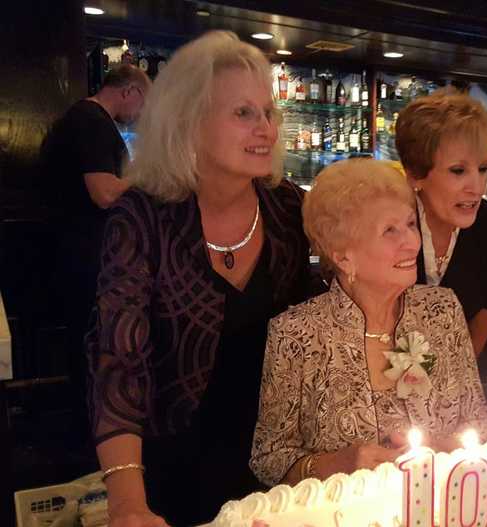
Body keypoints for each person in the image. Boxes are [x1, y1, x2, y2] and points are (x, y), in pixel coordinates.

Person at [85, 31, 313, 527]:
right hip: (176, 473)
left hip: (283, 468)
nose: (266, 130)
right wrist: (127, 503)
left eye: (268, 113)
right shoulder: (143, 217)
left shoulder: (287, 207)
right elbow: (119, 366)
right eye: (243, 113)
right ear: (188, 121)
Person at [250, 158, 487, 487]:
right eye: (389, 230)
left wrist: (440, 450)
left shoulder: (442, 310)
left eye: (410, 224)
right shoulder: (296, 333)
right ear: (342, 255)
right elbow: (269, 458)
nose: (411, 242)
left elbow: (481, 424)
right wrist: (330, 465)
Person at [42, 63, 150, 440]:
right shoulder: (91, 121)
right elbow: (104, 193)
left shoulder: (85, 119)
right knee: (90, 344)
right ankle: (93, 438)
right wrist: (147, 183)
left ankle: (89, 431)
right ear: (129, 91)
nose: (140, 112)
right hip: (82, 256)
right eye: (143, 101)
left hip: (74, 253)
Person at [395, 91, 487, 357]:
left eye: (483, 168)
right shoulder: (387, 226)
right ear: (415, 174)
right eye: (458, 171)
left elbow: (475, 341)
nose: (477, 188)